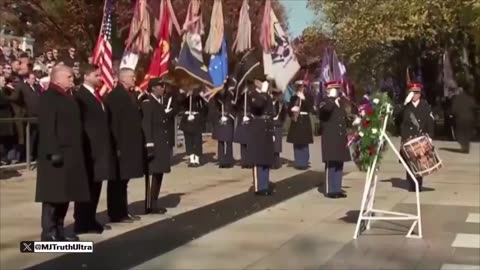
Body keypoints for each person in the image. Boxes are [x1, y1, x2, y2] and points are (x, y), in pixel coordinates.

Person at [35, 65, 90, 241]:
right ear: (57, 78)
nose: (72, 80)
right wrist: (53, 150)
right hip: (57, 154)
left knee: (65, 194)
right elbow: (47, 127)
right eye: (69, 77)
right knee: (53, 195)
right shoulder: (49, 97)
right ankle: (48, 232)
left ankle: (59, 229)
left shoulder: (69, 97)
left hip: (71, 154)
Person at [73, 64, 116, 234]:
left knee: (96, 186)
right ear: (86, 76)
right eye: (97, 75)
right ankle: (81, 221)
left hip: (100, 149)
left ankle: (90, 219)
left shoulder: (97, 96)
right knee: (87, 187)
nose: (101, 77)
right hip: (88, 148)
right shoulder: (80, 97)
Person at [104, 68, 144, 223]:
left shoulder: (130, 95)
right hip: (121, 145)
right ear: (122, 79)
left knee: (124, 180)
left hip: (130, 143)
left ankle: (122, 211)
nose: (134, 79)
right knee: (117, 181)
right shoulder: (115, 96)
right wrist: (117, 146)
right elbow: (114, 123)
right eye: (132, 77)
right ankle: (116, 213)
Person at [141, 78, 174, 214]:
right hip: (154, 143)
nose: (163, 88)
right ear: (153, 88)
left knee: (158, 173)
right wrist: (149, 144)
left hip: (161, 143)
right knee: (153, 174)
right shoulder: (148, 103)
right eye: (160, 86)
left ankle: (154, 202)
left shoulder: (159, 102)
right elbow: (146, 125)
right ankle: (149, 204)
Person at [318, 82, 351, 198]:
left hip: (340, 137)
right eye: (335, 89)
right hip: (330, 138)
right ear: (328, 90)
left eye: (338, 89)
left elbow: (345, 118)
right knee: (331, 164)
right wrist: (331, 98)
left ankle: (337, 188)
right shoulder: (324, 101)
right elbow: (326, 110)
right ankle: (330, 190)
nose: (337, 91)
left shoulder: (340, 103)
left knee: (339, 163)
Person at [399, 82, 434, 192]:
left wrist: (430, 136)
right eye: (412, 92)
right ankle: (411, 183)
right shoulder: (406, 106)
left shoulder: (425, 105)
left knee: (420, 162)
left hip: (419, 137)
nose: (414, 94)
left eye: (417, 92)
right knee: (409, 163)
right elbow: (397, 117)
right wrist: (404, 104)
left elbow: (430, 122)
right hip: (407, 138)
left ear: (420, 93)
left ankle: (418, 184)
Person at [248, 80, 275, 196]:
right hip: (258, 130)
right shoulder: (253, 95)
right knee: (258, 159)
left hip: (267, 129)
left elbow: (271, 114)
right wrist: (263, 92)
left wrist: (272, 131)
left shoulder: (267, 96)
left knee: (266, 159)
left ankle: (265, 184)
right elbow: (258, 105)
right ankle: (259, 187)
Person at [287, 80, 314, 170]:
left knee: (304, 143)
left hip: (304, 120)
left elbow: (310, 108)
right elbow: (289, 109)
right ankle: (298, 162)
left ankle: (304, 162)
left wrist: (304, 99)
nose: (300, 88)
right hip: (296, 120)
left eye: (302, 86)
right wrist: (292, 110)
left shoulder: (309, 97)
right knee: (297, 142)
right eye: (299, 86)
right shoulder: (293, 98)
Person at [178, 87, 207, 167]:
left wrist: (198, 115)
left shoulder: (199, 98)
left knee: (197, 141)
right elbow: (180, 104)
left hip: (196, 120)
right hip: (187, 120)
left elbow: (204, 109)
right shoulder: (185, 97)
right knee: (188, 140)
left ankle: (197, 159)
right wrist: (185, 95)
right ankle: (191, 158)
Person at [209, 88, 235, 168]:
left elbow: (234, 108)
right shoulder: (215, 98)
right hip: (219, 120)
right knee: (221, 142)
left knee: (229, 142)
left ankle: (229, 161)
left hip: (228, 119)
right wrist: (218, 117)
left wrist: (230, 116)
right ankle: (222, 161)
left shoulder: (230, 96)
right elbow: (212, 110)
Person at [451, 87, 476, 153]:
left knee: (460, 133)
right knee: (467, 133)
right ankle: (466, 147)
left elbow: (453, 110)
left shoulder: (456, 99)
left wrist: (453, 114)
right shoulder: (469, 98)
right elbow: (474, 106)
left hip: (460, 118)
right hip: (469, 118)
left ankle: (463, 146)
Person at [233, 86, 253, 168]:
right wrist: (240, 96)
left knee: (250, 143)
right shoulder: (240, 98)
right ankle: (244, 161)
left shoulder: (252, 96)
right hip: (242, 119)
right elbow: (236, 107)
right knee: (243, 143)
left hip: (250, 119)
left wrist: (250, 115)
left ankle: (249, 161)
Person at [271, 86, 286, 169]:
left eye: (276, 94)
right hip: (270, 125)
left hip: (277, 125)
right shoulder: (268, 102)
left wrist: (280, 122)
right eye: (273, 94)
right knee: (270, 145)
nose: (274, 96)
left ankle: (276, 163)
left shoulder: (280, 104)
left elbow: (284, 114)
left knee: (277, 146)